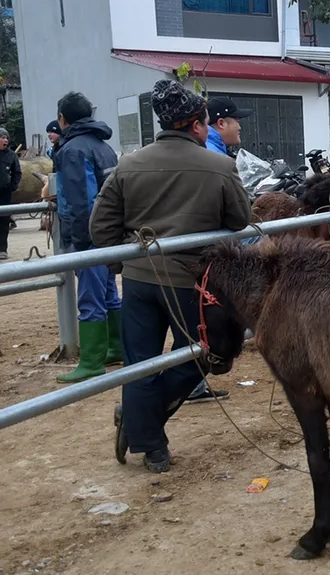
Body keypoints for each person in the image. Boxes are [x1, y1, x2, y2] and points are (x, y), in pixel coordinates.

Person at [90, 79, 252, 472]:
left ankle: (149, 442)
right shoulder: (220, 166)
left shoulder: (128, 164)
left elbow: (100, 227)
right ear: (197, 124)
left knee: (140, 361)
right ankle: (145, 430)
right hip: (191, 283)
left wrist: (123, 263)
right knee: (199, 356)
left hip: (140, 281)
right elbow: (240, 219)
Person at [49, 94, 124, 382]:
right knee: (108, 293)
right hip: (108, 233)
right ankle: (114, 346)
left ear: (63, 119)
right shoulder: (102, 146)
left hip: (89, 235)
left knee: (90, 297)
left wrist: (80, 240)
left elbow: (82, 200)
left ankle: (91, 360)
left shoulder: (72, 150)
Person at [184, 95, 249, 404]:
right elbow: (236, 214)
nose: (240, 129)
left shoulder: (211, 149)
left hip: (192, 250)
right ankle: (187, 383)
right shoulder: (212, 155)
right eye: (237, 122)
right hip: (204, 253)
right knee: (203, 318)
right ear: (220, 123)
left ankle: (191, 381)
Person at [0, 128, 21, 261]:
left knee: (3, 222)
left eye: (6, 137)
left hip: (4, 193)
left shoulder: (11, 155)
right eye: (2, 137)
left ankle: (2, 249)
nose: (5, 140)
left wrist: (12, 186)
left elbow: (17, 173)